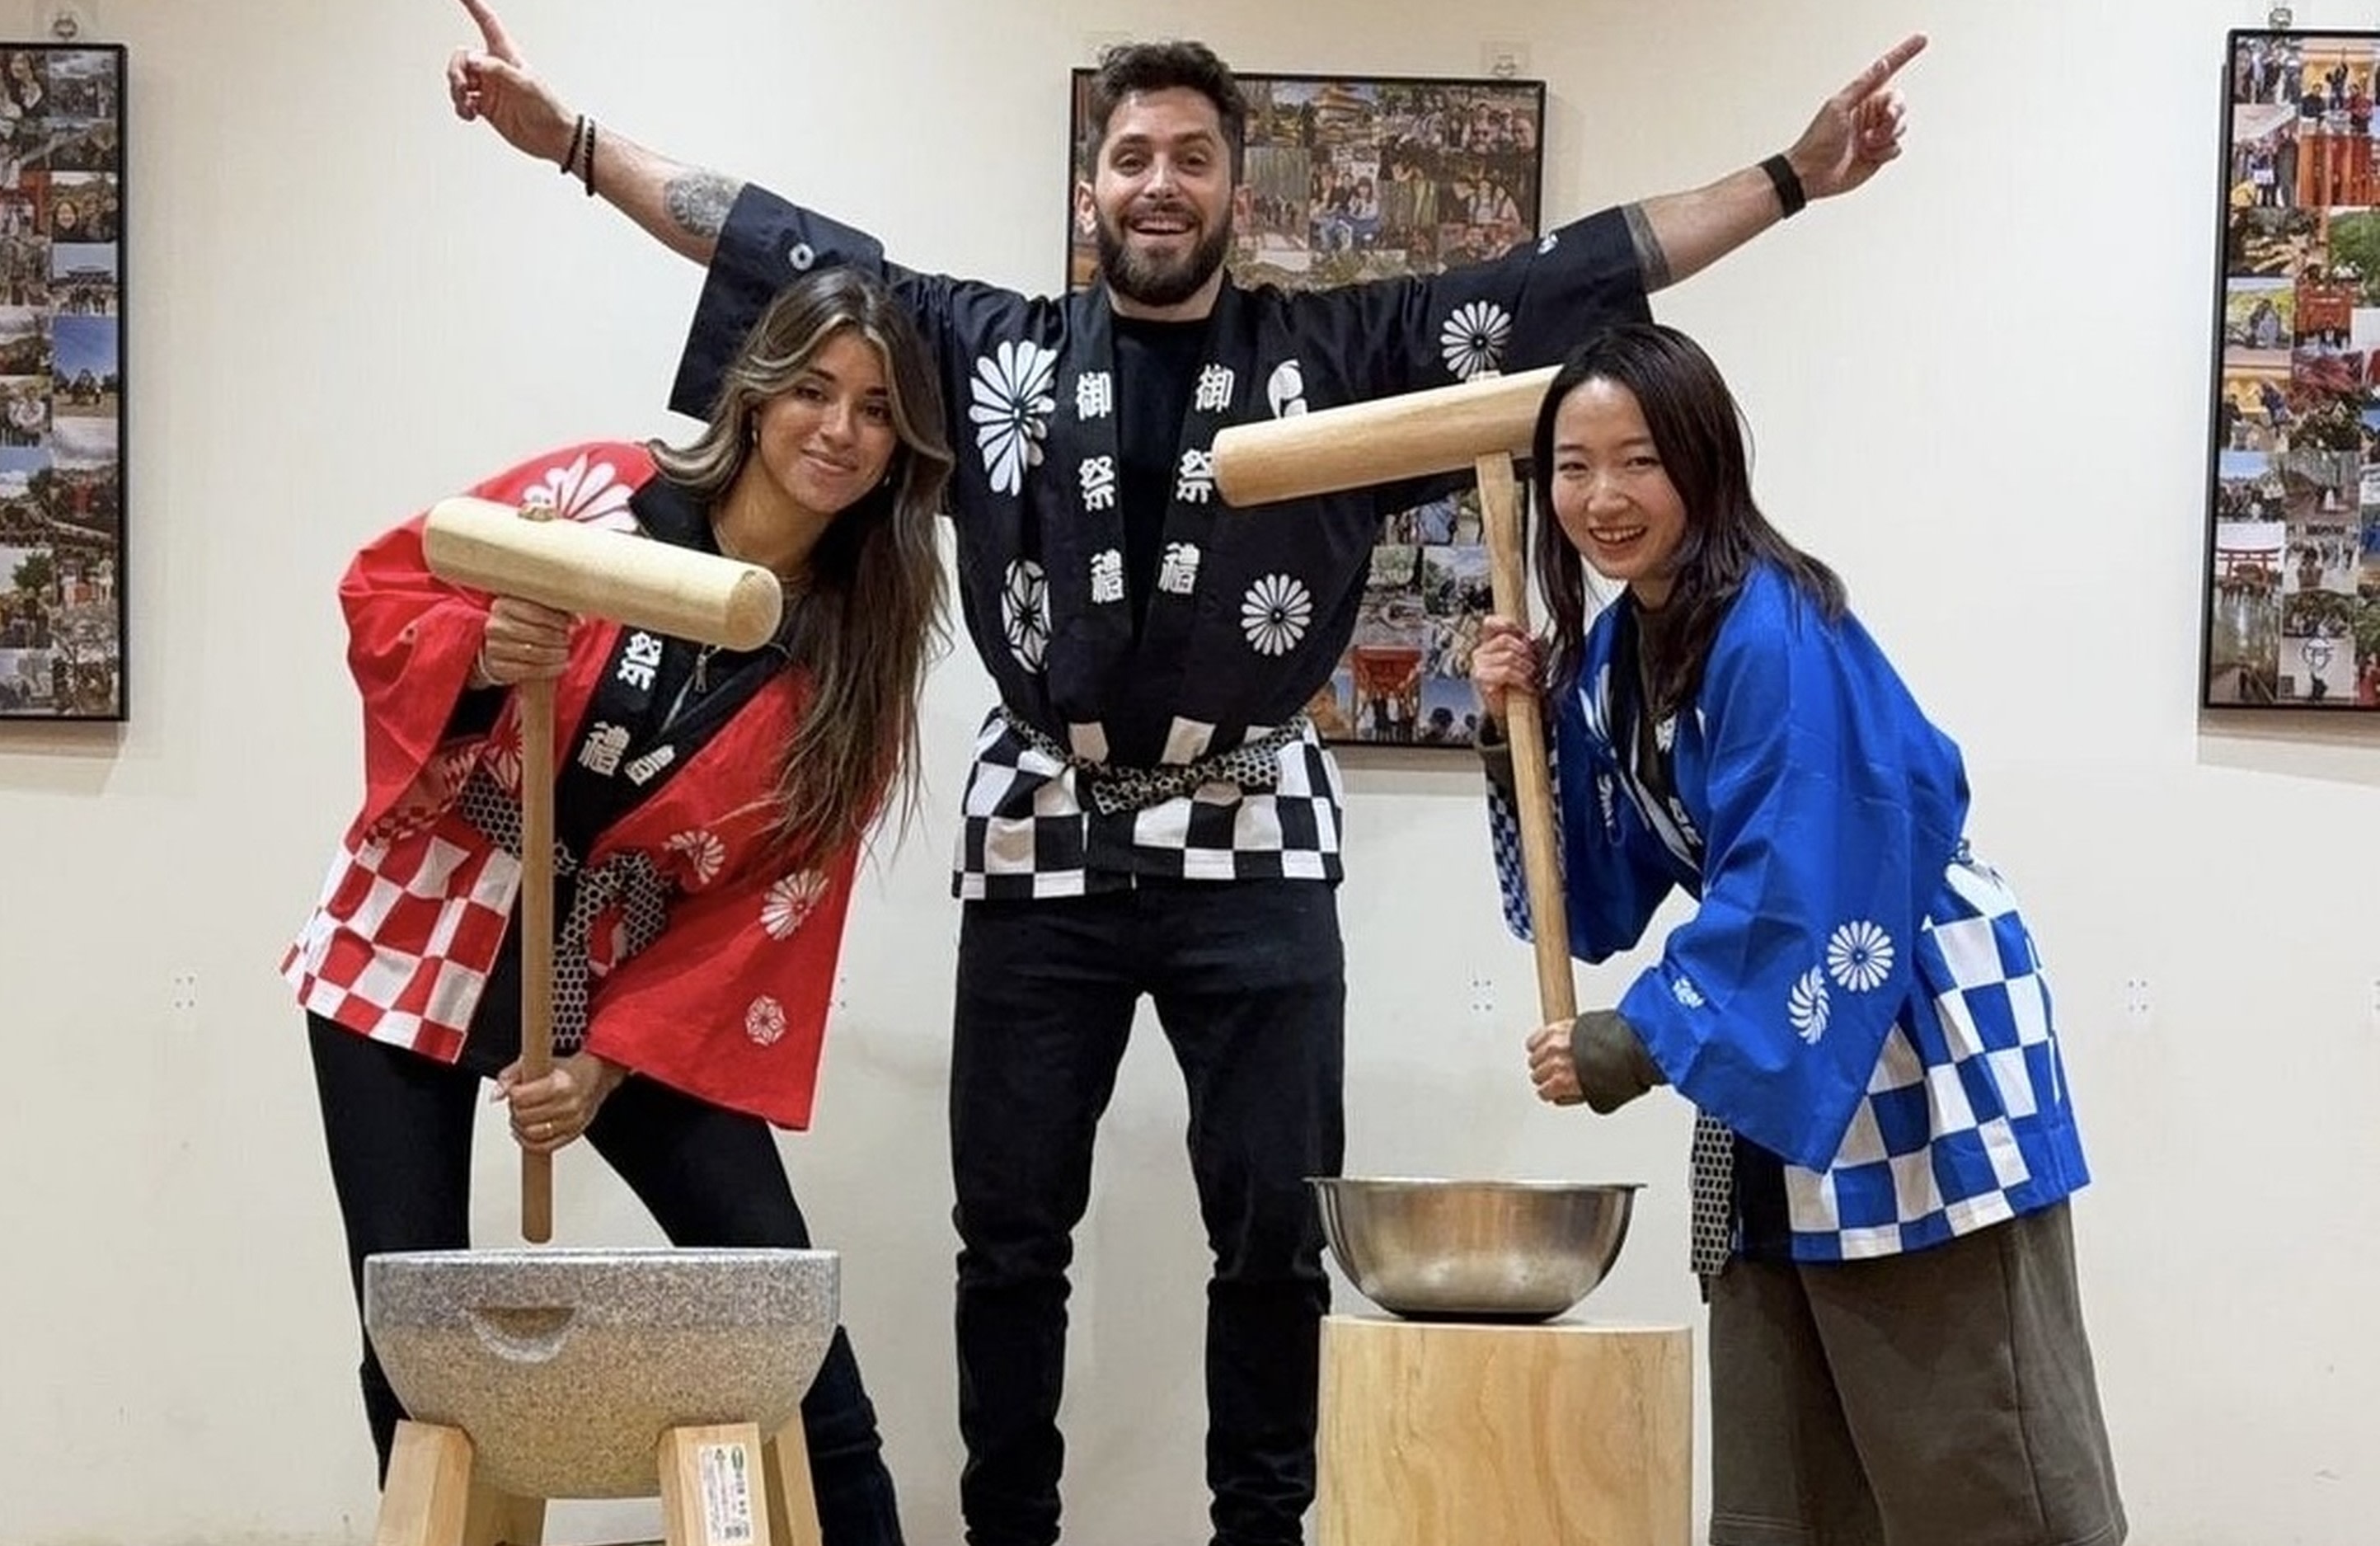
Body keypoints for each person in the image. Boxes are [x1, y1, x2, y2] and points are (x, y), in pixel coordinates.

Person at [443, 9, 1922, 1543]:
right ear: (1092, 188)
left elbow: (1568, 276)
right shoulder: (984, 349)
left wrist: (1790, 178)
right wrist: (569, 141)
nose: (1161, 183)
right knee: (1008, 1239)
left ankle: (1262, 1533)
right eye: (1133, 156)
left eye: (1193, 160)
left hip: (1258, 823)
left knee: (1278, 1233)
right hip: (1042, 827)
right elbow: (766, 241)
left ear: (1240, 195)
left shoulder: (1338, 360)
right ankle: (1011, 1530)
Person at [279, 266, 952, 1544]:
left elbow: (772, 901)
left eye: (875, 409)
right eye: (812, 390)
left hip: (626, 966)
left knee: (772, 1293)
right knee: (413, 1323)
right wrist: (481, 655)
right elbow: (389, 587)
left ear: (901, 445)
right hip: (427, 903)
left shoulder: (853, 649)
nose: (838, 429)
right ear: (755, 399)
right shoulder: (605, 498)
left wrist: (604, 1066)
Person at [1469, 322, 2124, 1546]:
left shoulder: (1775, 627)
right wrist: (1529, 733)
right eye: (1572, 466)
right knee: (1798, 1460)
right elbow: (1604, 891)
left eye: (1639, 460)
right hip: (1784, 1037)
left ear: (1706, 463)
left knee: (1969, 1451)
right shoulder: (1620, 652)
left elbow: (1801, 879)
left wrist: (1635, 1042)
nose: (1601, 499)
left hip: (1902, 1029)